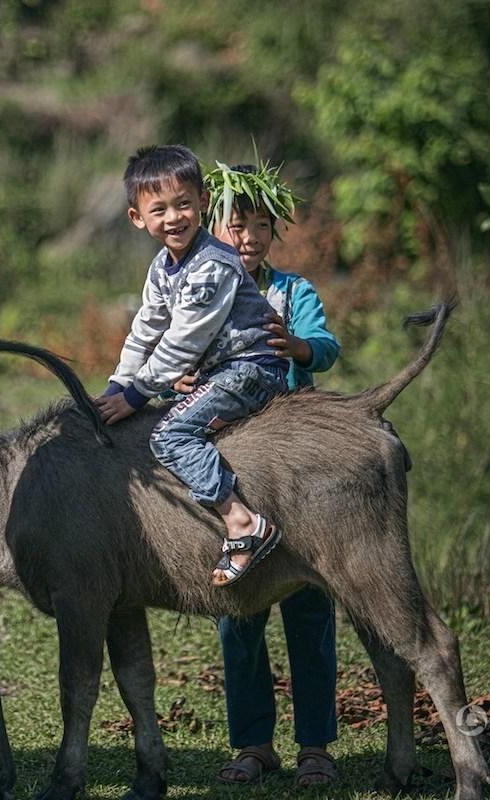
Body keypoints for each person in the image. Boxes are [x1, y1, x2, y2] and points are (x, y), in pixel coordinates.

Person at [182, 163, 340, 788]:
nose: (246, 236)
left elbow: (324, 347)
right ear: (214, 230)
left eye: (259, 226)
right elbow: (176, 352)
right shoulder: (201, 289)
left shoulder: (291, 291)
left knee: (310, 611)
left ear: (274, 232)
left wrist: (296, 347)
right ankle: (252, 744)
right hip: (236, 469)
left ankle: (317, 748)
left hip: (297, 466)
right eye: (233, 225)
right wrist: (183, 382)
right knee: (239, 614)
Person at [93, 145, 287, 585]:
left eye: (183, 204)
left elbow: (182, 342)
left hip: (251, 367)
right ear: (137, 218)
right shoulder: (163, 267)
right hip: (222, 371)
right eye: (158, 209)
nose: (174, 217)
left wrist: (137, 395)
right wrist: (116, 385)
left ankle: (243, 522)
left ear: (203, 202)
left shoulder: (212, 265)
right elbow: (146, 328)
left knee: (170, 435)